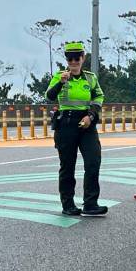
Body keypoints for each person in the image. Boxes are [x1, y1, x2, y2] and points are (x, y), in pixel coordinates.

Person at [46, 42, 108, 217]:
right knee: (68, 166)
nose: (73, 61)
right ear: (66, 60)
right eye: (70, 58)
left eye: (77, 58)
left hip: (87, 123)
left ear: (83, 58)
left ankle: (90, 204)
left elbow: (99, 95)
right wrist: (61, 83)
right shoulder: (60, 76)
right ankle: (68, 205)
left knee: (93, 161)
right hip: (66, 124)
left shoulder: (90, 78)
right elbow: (50, 96)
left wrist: (91, 115)